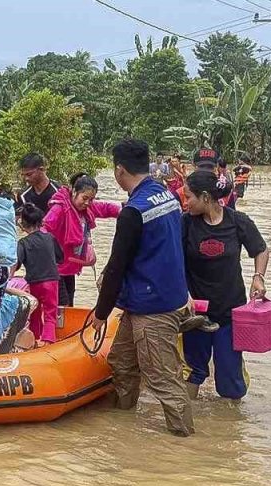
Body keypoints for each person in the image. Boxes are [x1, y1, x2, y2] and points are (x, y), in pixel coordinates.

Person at [89, 139, 195, 437]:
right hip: (153, 298)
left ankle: (186, 446)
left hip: (154, 308)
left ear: (119, 170)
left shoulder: (133, 212)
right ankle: (124, 426)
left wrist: (101, 313)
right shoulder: (168, 196)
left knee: (163, 380)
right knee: (121, 362)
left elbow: (116, 267)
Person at [181, 170, 270, 400]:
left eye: (189, 196)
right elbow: (172, 261)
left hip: (230, 313)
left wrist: (258, 276)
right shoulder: (185, 224)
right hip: (195, 315)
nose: (185, 201)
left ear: (205, 197)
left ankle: (230, 429)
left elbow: (261, 249)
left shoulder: (238, 222)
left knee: (230, 379)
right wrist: (182, 293)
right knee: (192, 371)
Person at [43, 173, 121, 307]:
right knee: (62, 307)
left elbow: (106, 208)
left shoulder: (87, 207)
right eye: (84, 198)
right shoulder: (60, 208)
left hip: (69, 268)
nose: (87, 203)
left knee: (69, 304)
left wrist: (126, 211)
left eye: (91, 199)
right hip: (54, 268)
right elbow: (44, 229)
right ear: (74, 192)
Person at [11, 203, 63, 346]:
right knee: (50, 313)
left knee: (35, 312)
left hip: (34, 283)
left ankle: (34, 339)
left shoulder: (23, 242)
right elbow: (60, 257)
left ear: (23, 224)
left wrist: (7, 278)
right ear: (40, 222)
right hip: (51, 281)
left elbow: (16, 263)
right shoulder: (50, 238)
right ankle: (47, 342)